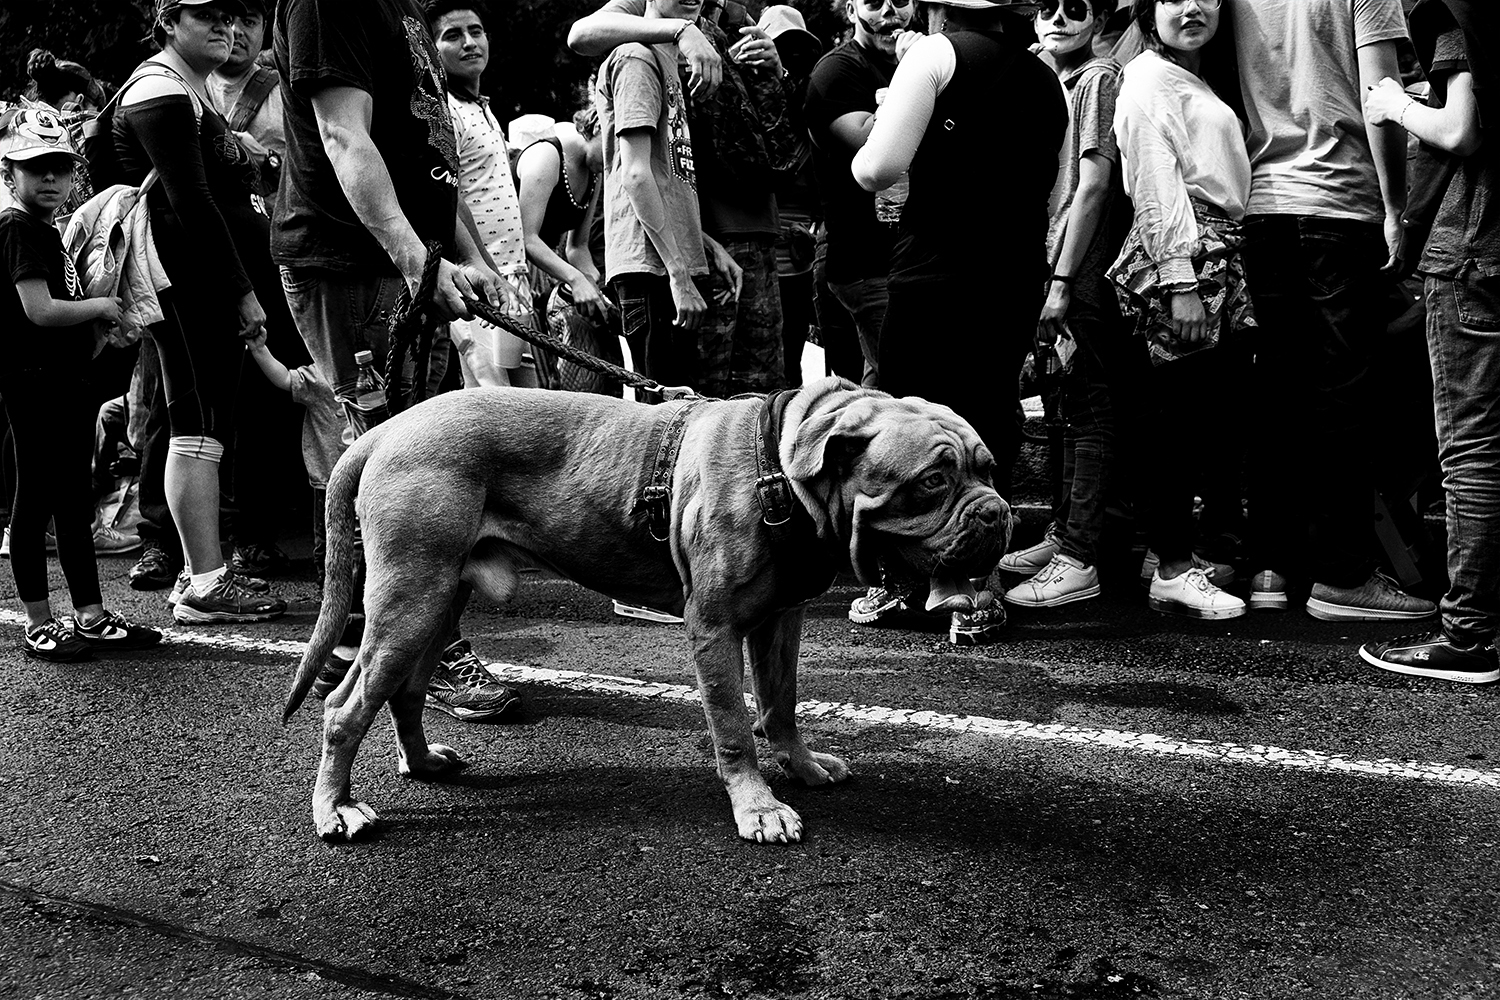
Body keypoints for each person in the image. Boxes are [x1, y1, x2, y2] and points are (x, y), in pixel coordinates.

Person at [274, 0, 523, 721]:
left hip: (403, 265)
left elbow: (431, 162)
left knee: (428, 462)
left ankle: (386, 644)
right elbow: (341, 135)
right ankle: (409, 650)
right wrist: (417, 262)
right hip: (351, 262)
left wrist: (467, 257)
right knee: (401, 469)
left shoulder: (403, 7)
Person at [851, 0, 1067, 645]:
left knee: (913, 425)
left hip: (936, 271)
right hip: (1013, 273)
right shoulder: (1044, 76)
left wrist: (889, 119)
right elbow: (1053, 194)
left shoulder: (934, 56)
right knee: (989, 414)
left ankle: (905, 577)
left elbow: (876, 169)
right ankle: (977, 585)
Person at [1228, 0, 1435, 621]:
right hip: (1340, 203)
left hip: (1261, 205)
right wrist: (1397, 208)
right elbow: (1381, 95)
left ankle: (1270, 567)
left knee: (1276, 394)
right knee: (1343, 399)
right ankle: (1341, 576)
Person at [113, 0, 288, 625]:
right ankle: (206, 581)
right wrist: (242, 290)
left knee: (203, 420)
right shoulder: (160, 90)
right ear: (168, 22)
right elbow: (191, 204)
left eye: (235, 14)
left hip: (199, 281)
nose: (226, 26)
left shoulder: (187, 90)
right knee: (195, 420)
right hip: (187, 283)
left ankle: (200, 568)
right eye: (206, 13)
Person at [1360, 0, 1500, 683]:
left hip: (1478, 252)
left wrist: (1395, 102)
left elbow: (1462, 129)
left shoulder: (1453, 8)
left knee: (1474, 452)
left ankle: (1469, 637)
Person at [1106, 0, 1253, 620]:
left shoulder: (1194, 75)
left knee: (1200, 419)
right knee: (1171, 423)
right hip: (1187, 255)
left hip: (1217, 253)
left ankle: (1176, 557)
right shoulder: (1145, 77)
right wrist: (1179, 280)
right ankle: (1172, 568)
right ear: (1148, 10)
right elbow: (1154, 181)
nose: (1191, 7)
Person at [0, 109, 160, 660]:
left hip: (64, 381)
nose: (50, 179)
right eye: (35, 168)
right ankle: (38, 619)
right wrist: (102, 306)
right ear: (8, 173)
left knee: (72, 499)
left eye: (59, 168)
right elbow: (39, 310)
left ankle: (89, 615)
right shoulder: (16, 228)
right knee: (35, 499)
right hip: (32, 382)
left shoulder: (45, 229)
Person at [571, 0, 788, 399]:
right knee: (664, 419)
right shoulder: (635, 56)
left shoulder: (669, 60)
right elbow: (636, 175)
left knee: (689, 411)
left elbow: (667, 178)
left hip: (673, 262)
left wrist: (705, 246)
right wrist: (677, 272)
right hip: (651, 269)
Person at [1001, 0, 1133, 610]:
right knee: (1059, 408)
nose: (1059, 17)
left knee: (1089, 408)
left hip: (1075, 266)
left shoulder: (1099, 79)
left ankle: (1082, 554)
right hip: (1043, 260)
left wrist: (1061, 277)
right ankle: (1063, 534)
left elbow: (1094, 182)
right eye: (1047, 7)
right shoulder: (1040, 75)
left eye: (1076, 7)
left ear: (1100, 18)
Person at [805, 0, 918, 394]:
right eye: (874, 2)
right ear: (851, 8)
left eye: (901, 1)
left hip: (904, 258)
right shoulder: (838, 69)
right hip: (864, 264)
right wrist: (917, 74)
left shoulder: (914, 63)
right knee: (907, 381)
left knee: (880, 390)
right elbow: (879, 144)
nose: (891, 12)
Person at [428, 0, 540, 389]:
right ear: (430, 47)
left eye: (475, 31)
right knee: (499, 410)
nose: (469, 43)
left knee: (531, 406)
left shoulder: (482, 108)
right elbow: (448, 197)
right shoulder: (444, 111)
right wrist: (484, 266)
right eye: (452, 35)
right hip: (476, 282)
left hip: (511, 280)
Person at [241, 327, 345, 587]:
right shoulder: (320, 377)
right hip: (328, 480)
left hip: (364, 476)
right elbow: (285, 379)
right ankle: (329, 590)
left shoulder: (374, 376)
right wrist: (259, 349)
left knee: (360, 540)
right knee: (328, 543)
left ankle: (353, 592)